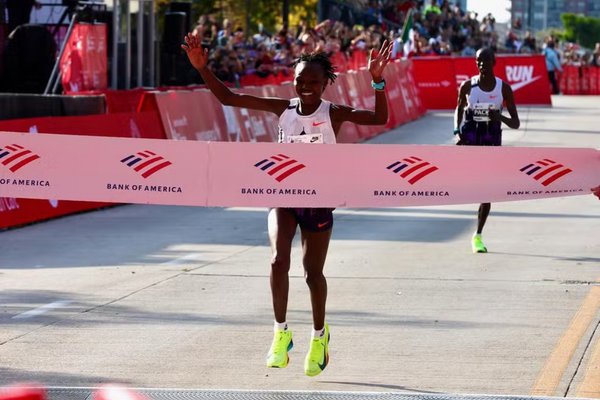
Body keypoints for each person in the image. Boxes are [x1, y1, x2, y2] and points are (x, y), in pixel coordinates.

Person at [182, 32, 392, 376]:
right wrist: (202, 69)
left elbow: (379, 119)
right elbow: (229, 98)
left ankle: (319, 336)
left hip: (319, 200)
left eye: (313, 81)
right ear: (292, 82)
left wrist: (379, 81)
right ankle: (280, 333)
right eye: (300, 81)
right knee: (279, 260)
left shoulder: (334, 113)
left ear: (325, 84)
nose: (306, 86)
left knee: (312, 273)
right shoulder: (284, 108)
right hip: (283, 196)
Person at [454, 48, 520, 253]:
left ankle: (478, 235)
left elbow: (516, 123)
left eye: (486, 60)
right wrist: (457, 131)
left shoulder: (504, 88)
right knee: (468, 186)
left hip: (491, 141)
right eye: (478, 61)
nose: (482, 64)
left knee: (487, 190)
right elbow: (458, 108)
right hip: (470, 140)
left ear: (495, 62)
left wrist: (497, 117)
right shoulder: (467, 86)